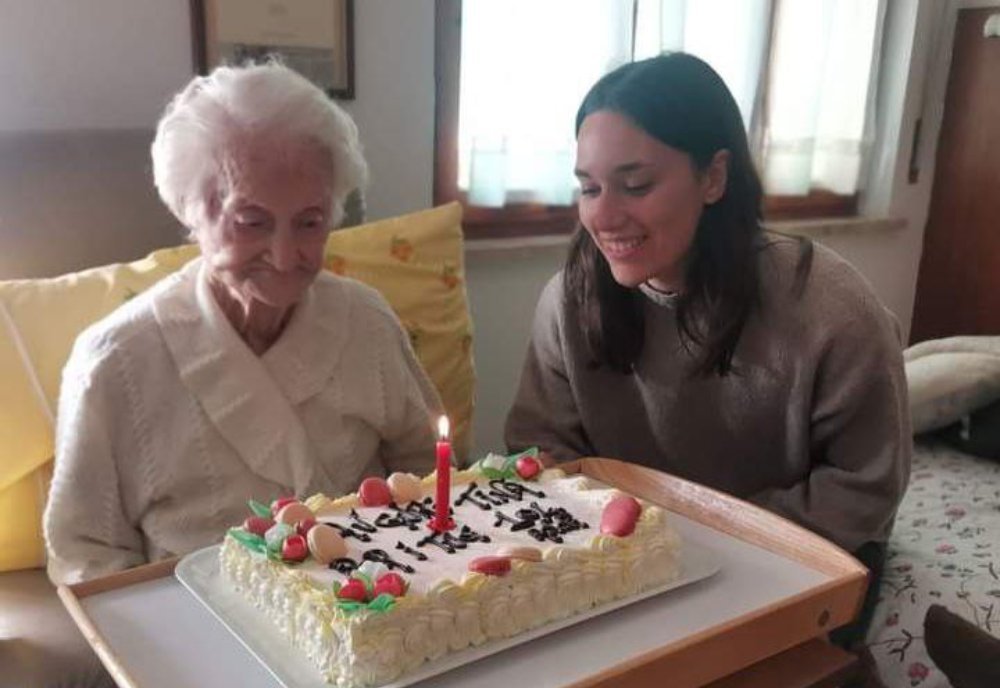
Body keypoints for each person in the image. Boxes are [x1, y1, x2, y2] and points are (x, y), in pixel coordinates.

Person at [505, 53, 910, 643]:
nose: (603, 215)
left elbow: (864, 486)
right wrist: (635, 546)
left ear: (714, 177)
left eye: (635, 185)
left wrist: (699, 545)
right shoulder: (570, 302)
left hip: (794, 559)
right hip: (627, 563)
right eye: (589, 188)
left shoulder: (830, 310)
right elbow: (542, 452)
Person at [44, 63, 441, 584]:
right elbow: (85, 553)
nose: (285, 256)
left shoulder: (366, 321)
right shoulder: (114, 362)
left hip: (369, 602)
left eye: (310, 222)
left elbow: (429, 475)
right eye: (251, 222)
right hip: (192, 619)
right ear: (191, 211)